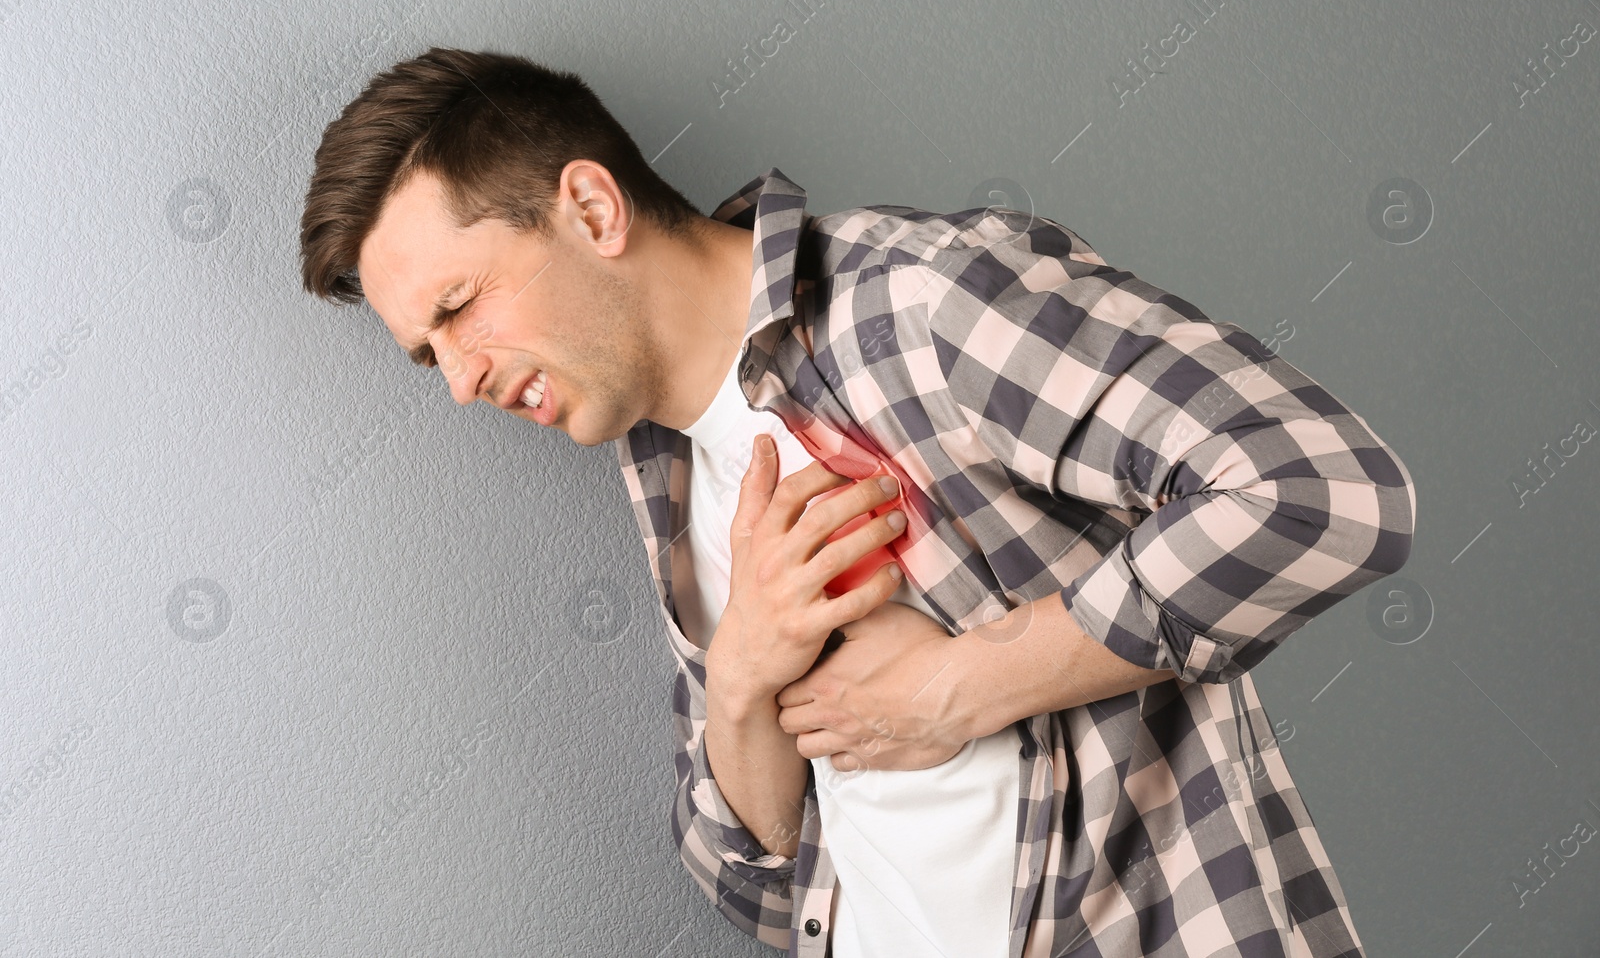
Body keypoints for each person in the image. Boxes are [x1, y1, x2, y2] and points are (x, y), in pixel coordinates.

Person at [299, 46, 1417, 958]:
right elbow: (762, 886)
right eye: (426, 354)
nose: (459, 380)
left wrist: (956, 688)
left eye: (460, 307)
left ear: (591, 208)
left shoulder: (923, 306)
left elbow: (1317, 488)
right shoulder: (667, 466)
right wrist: (739, 676)